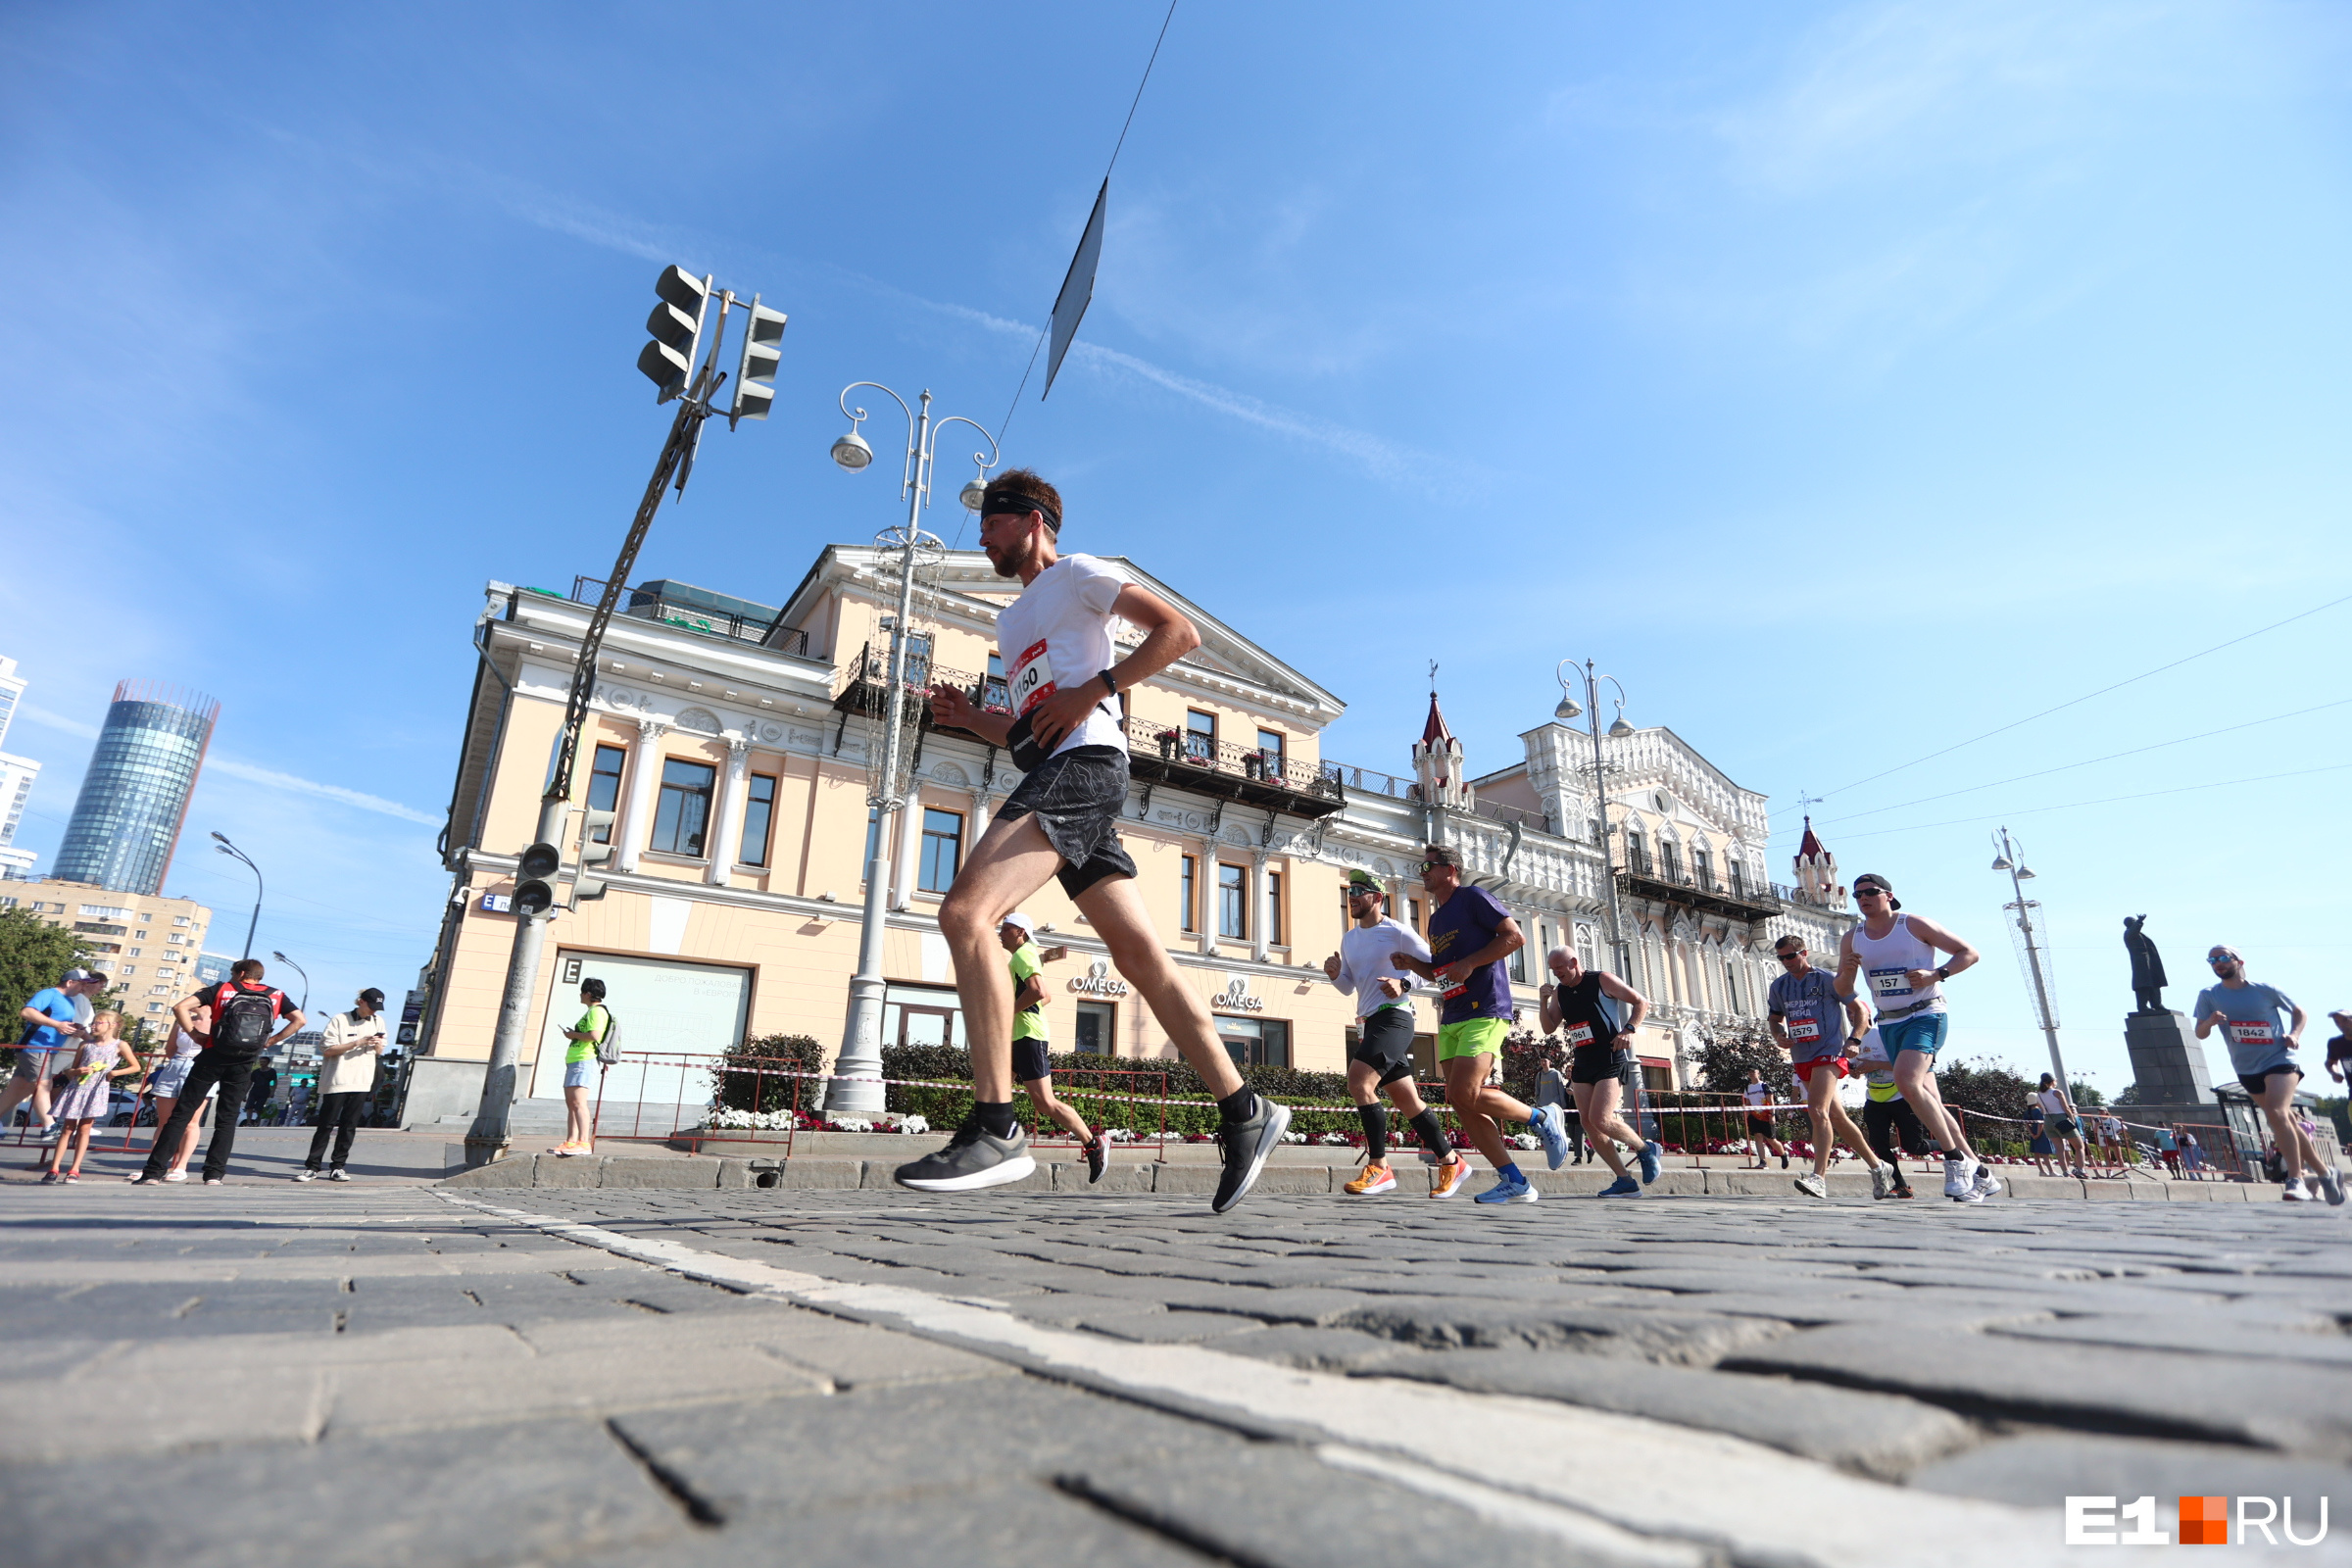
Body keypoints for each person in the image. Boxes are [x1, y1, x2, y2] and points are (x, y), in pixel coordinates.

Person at [897, 470, 1288, 1208]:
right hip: (1057, 770)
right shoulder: (1012, 625)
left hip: (1087, 766)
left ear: (1033, 520)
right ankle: (1246, 1110)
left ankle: (996, 1127)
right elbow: (1024, 732)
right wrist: (965, 719)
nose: (981, 535)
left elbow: (1180, 633)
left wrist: (1098, 688)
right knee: (1140, 958)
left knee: (965, 915)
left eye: (992, 521)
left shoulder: (1080, 573)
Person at [1389, 847, 1567, 1203]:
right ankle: (1514, 1180)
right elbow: (1444, 973)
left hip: (1485, 1007)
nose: (1421, 872)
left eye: (1428, 866)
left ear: (1450, 870)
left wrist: (1470, 964)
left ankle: (1542, 1117)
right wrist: (1412, 963)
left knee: (1468, 1093)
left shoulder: (1473, 897)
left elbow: (1515, 937)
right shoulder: (1436, 920)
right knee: (1460, 1101)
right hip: (1452, 1013)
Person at [1835, 873, 1998, 1203]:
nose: (1863, 898)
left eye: (1870, 892)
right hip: (1890, 1022)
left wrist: (1936, 975)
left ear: (1888, 895)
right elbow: (1842, 990)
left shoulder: (1913, 925)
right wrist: (1849, 972)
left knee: (1906, 1081)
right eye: (1857, 895)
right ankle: (1982, 1174)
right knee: (1926, 1097)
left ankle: (1954, 1161)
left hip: (1925, 1013)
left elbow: (1969, 953)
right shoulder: (1853, 937)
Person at [1323, 870, 1466, 1198]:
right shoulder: (1349, 938)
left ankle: (1380, 1167)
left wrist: (1404, 983)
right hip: (1370, 1021)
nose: (1353, 897)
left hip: (1396, 1018)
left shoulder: (1398, 932)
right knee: (1406, 1099)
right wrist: (1335, 975)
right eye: (1349, 891)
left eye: (1360, 891)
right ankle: (1451, 1160)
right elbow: (1348, 987)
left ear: (1378, 898)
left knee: (1360, 1083)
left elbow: (1434, 967)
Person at [129, 958, 306, 1187]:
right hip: (245, 1060)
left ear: (241, 973)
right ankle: (214, 1174)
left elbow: (179, 1007)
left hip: (213, 1055)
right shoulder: (276, 995)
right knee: (227, 1118)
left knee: (181, 1114)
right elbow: (300, 1020)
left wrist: (194, 1034)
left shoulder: (222, 989)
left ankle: (153, 1172)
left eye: (234, 974)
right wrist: (271, 1041)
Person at [2195, 946, 2338, 1203]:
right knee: (2286, 1122)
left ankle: (2296, 1179)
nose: (2218, 963)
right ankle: (2325, 1172)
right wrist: (2210, 1021)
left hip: (2280, 1060)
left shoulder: (2264, 989)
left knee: (2276, 1113)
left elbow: (2299, 1011)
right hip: (2247, 1068)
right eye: (2212, 960)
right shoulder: (2208, 995)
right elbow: (2200, 1033)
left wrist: (2294, 1035)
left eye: (2223, 958)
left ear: (2239, 961)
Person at [1767, 933, 1895, 1200]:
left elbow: (1861, 1011)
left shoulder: (1826, 979)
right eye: (1781, 958)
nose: (1786, 962)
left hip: (1830, 1051)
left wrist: (1855, 1040)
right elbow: (1775, 1019)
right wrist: (1779, 1035)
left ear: (1804, 953)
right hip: (1802, 1056)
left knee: (1816, 1110)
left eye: (1790, 956)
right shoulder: (1779, 986)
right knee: (1835, 1116)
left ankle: (1819, 1178)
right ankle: (1878, 1166)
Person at [996, 914, 1109, 1184]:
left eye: (1005, 928)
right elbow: (1046, 996)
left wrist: (1007, 1012)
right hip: (1019, 1036)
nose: (1000, 932)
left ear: (1020, 931)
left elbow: (1037, 992)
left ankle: (1094, 1144)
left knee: (1045, 1102)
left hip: (1028, 1037)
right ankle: (996, 1150)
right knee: (996, 1093)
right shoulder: (1025, 956)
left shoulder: (1024, 955)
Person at [1536, 944, 1654, 1197]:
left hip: (1610, 1056)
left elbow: (1641, 1002)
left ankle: (1645, 1149)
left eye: (1560, 967)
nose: (1556, 973)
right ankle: (1625, 1180)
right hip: (1583, 1060)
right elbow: (1548, 1028)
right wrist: (1543, 1000)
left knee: (1602, 1119)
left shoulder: (1601, 980)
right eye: (1552, 969)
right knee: (1589, 1123)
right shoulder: (1560, 992)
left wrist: (1629, 1030)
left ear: (1574, 962)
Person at [3, 967, 107, 1139]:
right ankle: (49, 1127)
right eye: (82, 984)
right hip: (35, 1046)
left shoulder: (71, 1001)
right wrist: (56, 1025)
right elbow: (27, 1012)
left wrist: (75, 1028)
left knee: (17, 1088)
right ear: (70, 982)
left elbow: (62, 1023)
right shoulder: (49, 994)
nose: (83, 988)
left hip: (48, 1049)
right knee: (44, 1085)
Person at [299, 989, 387, 1182]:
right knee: (326, 1125)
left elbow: (380, 1050)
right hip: (337, 1079)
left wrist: (376, 1044)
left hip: (362, 1080)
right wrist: (357, 1042)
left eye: (377, 1008)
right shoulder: (340, 1019)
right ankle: (312, 1167)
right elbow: (327, 1049)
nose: (374, 1011)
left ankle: (338, 1167)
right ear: (361, 1002)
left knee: (349, 1126)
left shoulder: (377, 1022)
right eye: (371, 1007)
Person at [41, 1009, 140, 1184]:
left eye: (98, 1023)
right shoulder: (85, 1045)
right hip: (77, 1088)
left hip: (96, 1089)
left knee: (85, 1129)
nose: (93, 1026)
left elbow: (135, 1066)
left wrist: (114, 1073)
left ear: (113, 1025)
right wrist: (77, 1071)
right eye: (93, 1022)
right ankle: (54, 1168)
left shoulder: (120, 1045)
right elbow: (70, 1071)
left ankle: (75, 1168)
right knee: (67, 1128)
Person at [139, 1006, 213, 1182]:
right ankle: (155, 1165)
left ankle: (181, 1166)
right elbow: (170, 1048)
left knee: (191, 1121)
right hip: (176, 1065)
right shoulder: (182, 1019)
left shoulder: (217, 1021)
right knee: (164, 1121)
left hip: (201, 1065)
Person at [1848, 1028, 1924, 1198]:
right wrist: (1855, 1072)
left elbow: (1905, 1064)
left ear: (1865, 1015)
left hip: (1900, 1096)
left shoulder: (1882, 1035)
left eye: (1854, 1013)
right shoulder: (1852, 1041)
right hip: (1874, 1099)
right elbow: (1856, 1073)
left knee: (1914, 1146)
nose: (1851, 1017)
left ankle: (1953, 1149)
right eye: (1848, 1014)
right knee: (1880, 1145)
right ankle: (1901, 1186)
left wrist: (1875, 1065)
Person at [551, 979, 609, 1157]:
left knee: (579, 1103)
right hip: (577, 1060)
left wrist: (571, 1035)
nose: (580, 995)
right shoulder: (591, 1011)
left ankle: (584, 1142)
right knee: (572, 1104)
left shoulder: (597, 1012)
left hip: (585, 1060)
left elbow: (594, 1035)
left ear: (588, 994)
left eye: (582, 992)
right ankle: (571, 1141)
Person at [2034, 1073, 2090, 1180]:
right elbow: (2066, 1108)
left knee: (2059, 1148)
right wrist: (2073, 1120)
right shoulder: (2057, 1092)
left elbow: (2042, 1110)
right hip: (2061, 1120)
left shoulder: (2039, 1094)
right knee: (2079, 1146)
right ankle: (2081, 1170)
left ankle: (2065, 1171)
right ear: (2053, 1081)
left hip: (2048, 1121)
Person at [1741, 1070, 1789, 1171]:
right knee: (1758, 1137)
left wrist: (1772, 1115)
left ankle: (1783, 1155)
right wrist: (1747, 1116)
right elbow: (1748, 1102)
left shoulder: (1764, 1086)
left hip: (1766, 1115)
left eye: (1753, 1072)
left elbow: (1771, 1101)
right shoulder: (1748, 1088)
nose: (1751, 1074)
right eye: (1749, 1072)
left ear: (1758, 1073)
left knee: (1771, 1140)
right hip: (1755, 1116)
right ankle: (1763, 1161)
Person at [241, 1059, 278, 1125]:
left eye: (264, 1062)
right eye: (261, 1062)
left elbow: (275, 1082)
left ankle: (258, 1120)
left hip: (264, 1091)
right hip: (254, 1090)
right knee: (249, 1106)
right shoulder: (256, 1072)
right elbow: (250, 1082)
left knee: (259, 1108)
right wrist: (245, 1093)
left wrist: (273, 1091)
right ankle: (248, 1122)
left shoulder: (272, 1071)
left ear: (268, 1063)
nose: (262, 1063)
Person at [2026, 1104, 2056, 1176]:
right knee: (2045, 1153)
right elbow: (2041, 1123)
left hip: (2034, 1133)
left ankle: (2042, 1171)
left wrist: (2032, 1134)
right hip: (2042, 1133)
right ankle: (2051, 1171)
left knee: (2036, 1152)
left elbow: (2026, 1124)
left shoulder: (2027, 1112)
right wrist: (2038, 1134)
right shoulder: (2039, 1111)